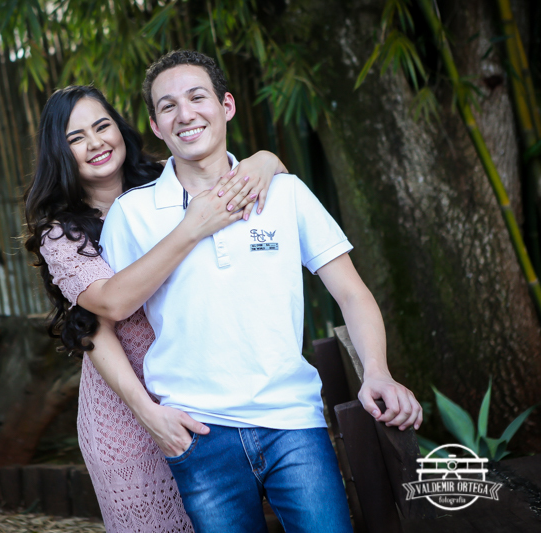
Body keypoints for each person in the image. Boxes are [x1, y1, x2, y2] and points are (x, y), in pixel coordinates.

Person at [99, 50, 424, 533]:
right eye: (168, 106)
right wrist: (150, 415)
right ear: (155, 126)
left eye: (197, 97)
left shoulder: (286, 193)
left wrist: (377, 370)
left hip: (292, 421)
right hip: (197, 431)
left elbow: (352, 293)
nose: (185, 114)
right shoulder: (132, 213)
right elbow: (103, 321)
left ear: (226, 105)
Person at [24, 85, 288, 532]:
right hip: (127, 412)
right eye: (76, 138)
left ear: (121, 128)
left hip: (209, 390)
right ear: (59, 152)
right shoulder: (62, 234)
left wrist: (264, 159)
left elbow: (251, 174)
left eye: (103, 126)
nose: (96, 143)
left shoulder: (171, 180)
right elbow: (104, 312)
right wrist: (147, 412)